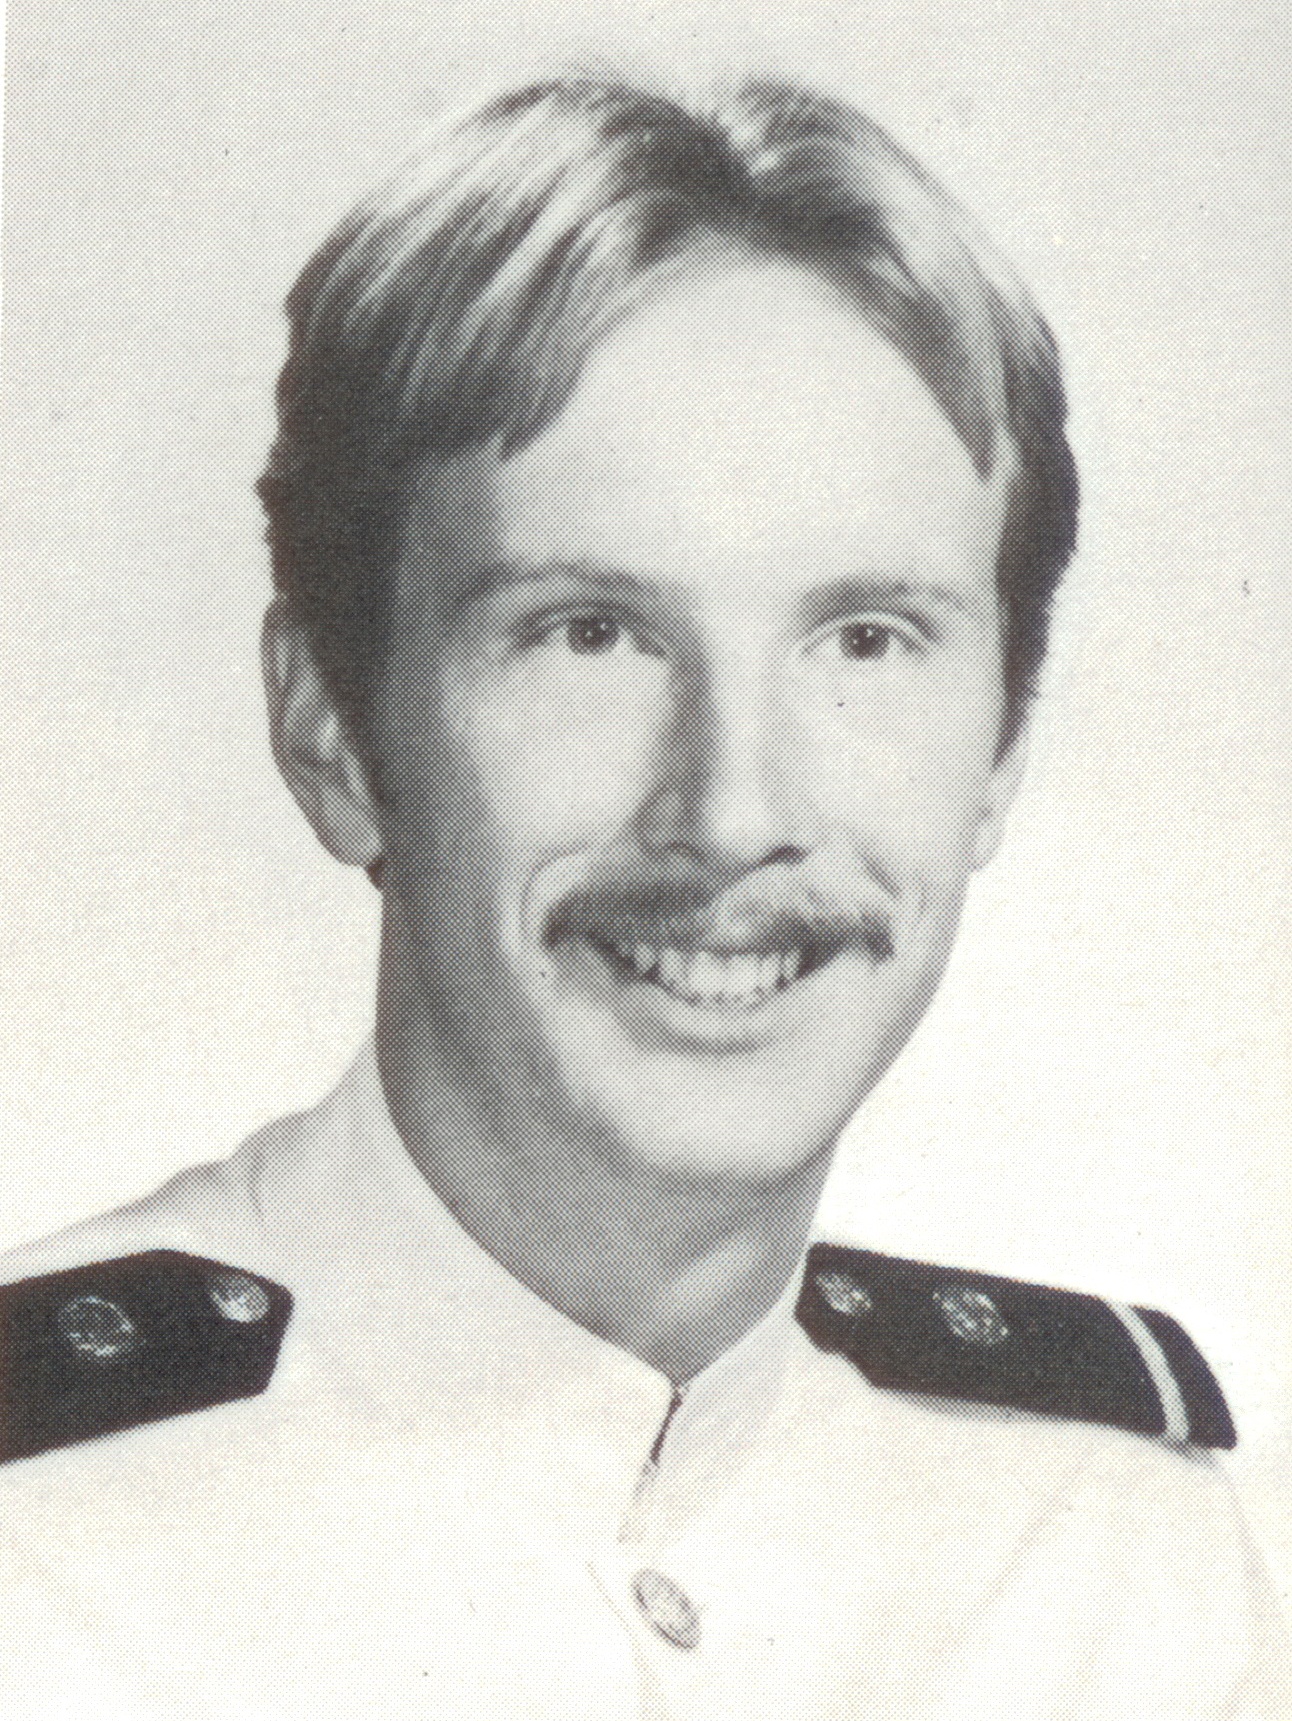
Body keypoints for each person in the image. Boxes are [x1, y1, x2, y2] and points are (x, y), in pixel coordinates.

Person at [0, 75, 1285, 1720]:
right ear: (334, 727)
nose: (733, 812)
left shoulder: (1122, 1564)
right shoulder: (43, 1554)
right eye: (591, 632)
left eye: (865, 638)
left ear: (1002, 749)